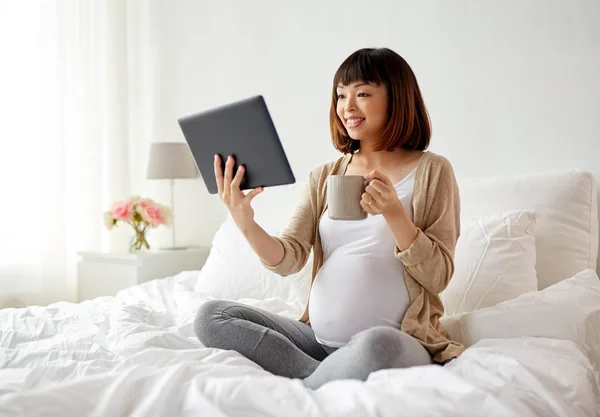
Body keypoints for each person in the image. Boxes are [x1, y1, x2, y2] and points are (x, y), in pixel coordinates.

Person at [194, 47, 464, 390]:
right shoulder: (324, 176)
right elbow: (288, 257)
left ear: (398, 97)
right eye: (340, 95)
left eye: (362, 94)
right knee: (211, 316)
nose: (347, 107)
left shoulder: (432, 171)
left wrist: (395, 214)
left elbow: (438, 275)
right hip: (314, 341)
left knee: (378, 344)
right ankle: (319, 376)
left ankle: (309, 380)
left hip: (396, 338)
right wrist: (245, 221)